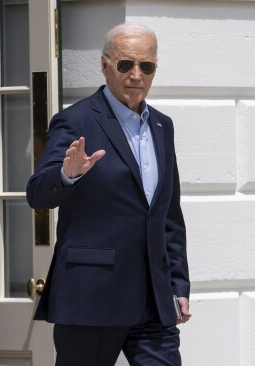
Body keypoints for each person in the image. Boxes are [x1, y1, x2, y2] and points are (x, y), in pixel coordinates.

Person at [27, 22, 191, 365]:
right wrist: (65, 175)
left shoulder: (163, 126)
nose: (136, 75)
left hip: (152, 301)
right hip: (92, 297)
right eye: (125, 64)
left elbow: (167, 215)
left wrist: (178, 285)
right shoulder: (75, 121)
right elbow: (37, 195)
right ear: (105, 65)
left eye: (146, 66)